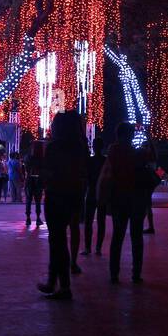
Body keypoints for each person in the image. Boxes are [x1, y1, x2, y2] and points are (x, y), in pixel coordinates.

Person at [38, 110, 89, 299]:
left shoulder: (54, 147)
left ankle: (63, 286)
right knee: (58, 240)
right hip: (73, 196)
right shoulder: (80, 147)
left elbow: (48, 173)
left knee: (57, 240)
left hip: (56, 195)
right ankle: (53, 281)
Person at [98, 123, 153, 283]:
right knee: (136, 237)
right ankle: (136, 273)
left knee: (118, 236)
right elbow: (151, 157)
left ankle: (114, 273)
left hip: (119, 198)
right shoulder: (138, 153)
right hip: (136, 198)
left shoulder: (113, 151)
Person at [81, 135, 107, 255]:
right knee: (101, 222)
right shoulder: (105, 161)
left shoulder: (90, 161)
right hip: (101, 193)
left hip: (91, 193)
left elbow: (85, 177)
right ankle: (98, 248)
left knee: (89, 222)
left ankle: (88, 247)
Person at [24, 140, 45, 227]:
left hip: (29, 179)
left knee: (28, 200)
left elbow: (26, 168)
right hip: (38, 180)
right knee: (37, 200)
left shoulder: (27, 157)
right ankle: (38, 218)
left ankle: (28, 218)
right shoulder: (40, 158)